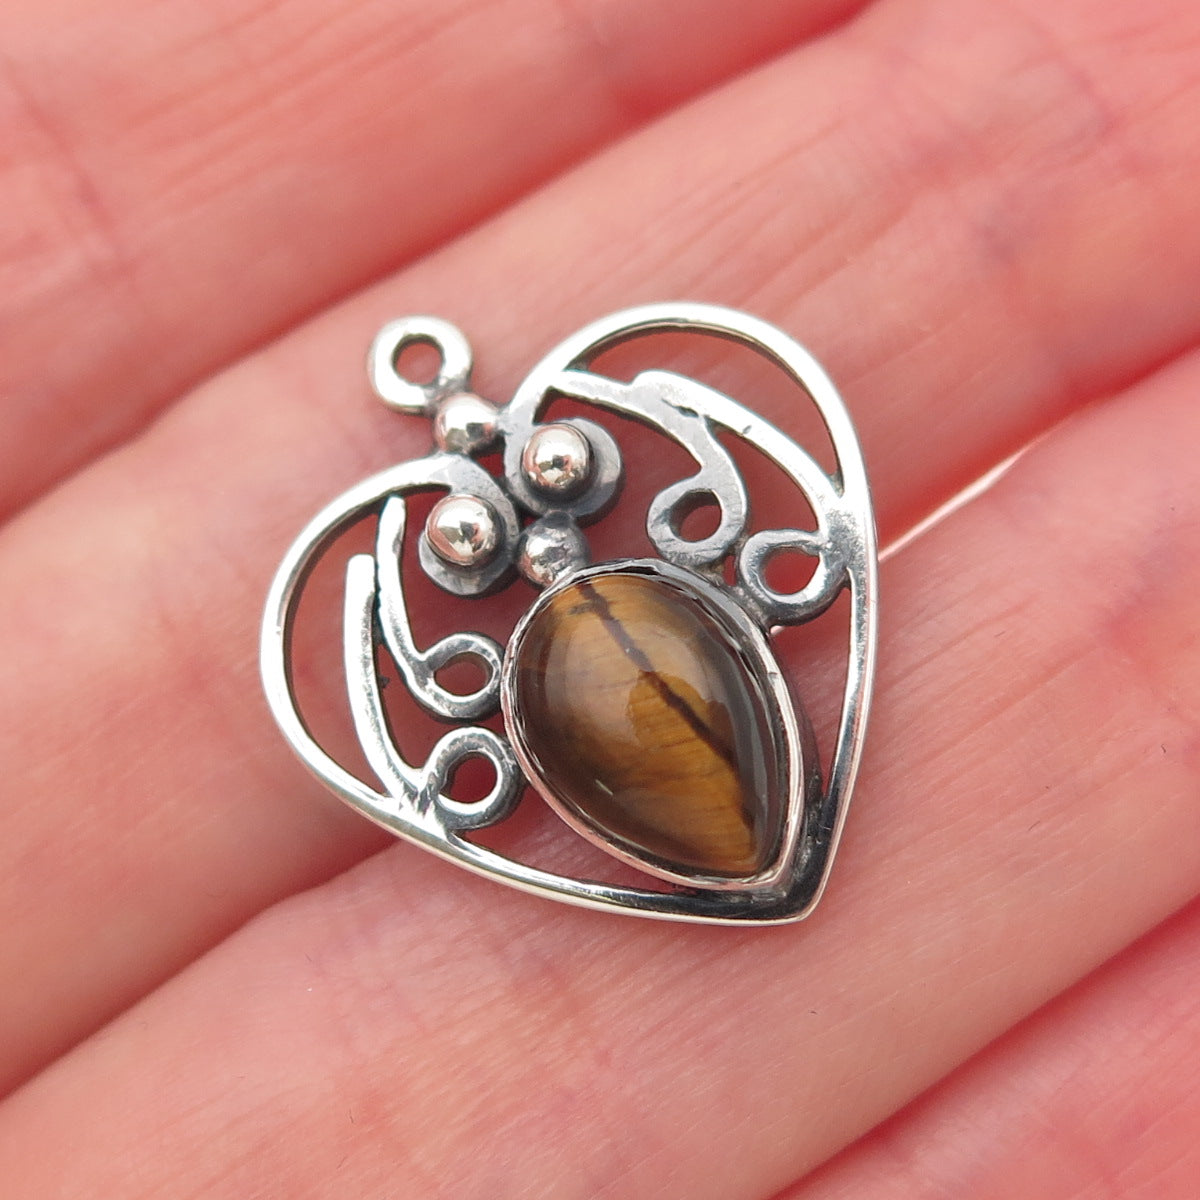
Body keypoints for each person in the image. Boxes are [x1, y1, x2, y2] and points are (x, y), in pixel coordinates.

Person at [1, 0, 1197, 1194]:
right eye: (471, 541)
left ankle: (764, 851)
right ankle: (755, 858)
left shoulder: (629, 549)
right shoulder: (511, 660)